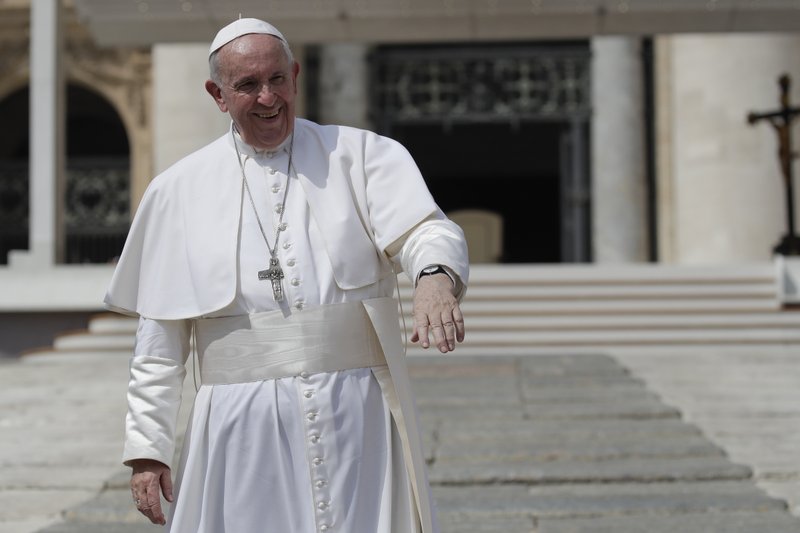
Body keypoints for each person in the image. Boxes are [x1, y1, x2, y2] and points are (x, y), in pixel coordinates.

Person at [104, 17, 468, 533]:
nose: (268, 97)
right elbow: (159, 341)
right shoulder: (177, 191)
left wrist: (434, 277)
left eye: (277, 79)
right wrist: (147, 448)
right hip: (238, 428)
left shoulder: (361, 156)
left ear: (295, 76)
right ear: (217, 94)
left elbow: (427, 231)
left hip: (356, 412)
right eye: (247, 85)